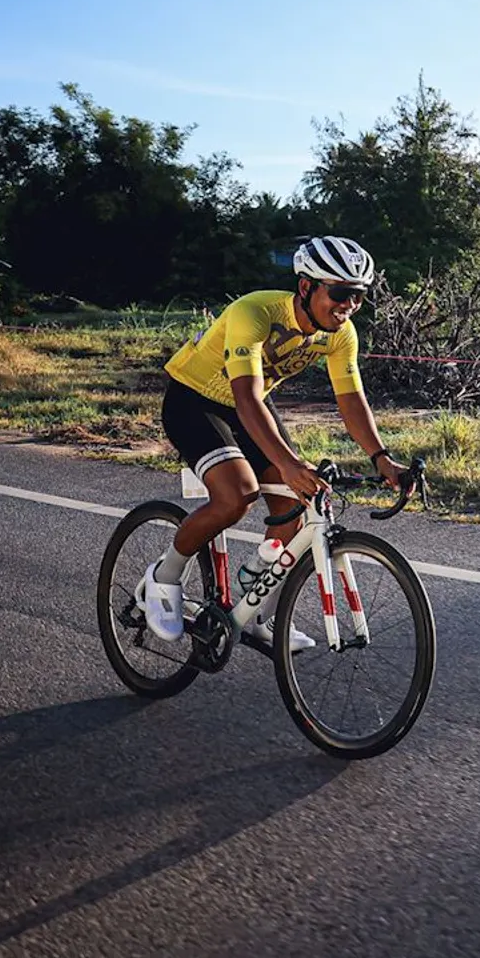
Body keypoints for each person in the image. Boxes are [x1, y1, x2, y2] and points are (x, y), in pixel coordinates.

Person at [138, 236, 404, 651]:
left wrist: (382, 457)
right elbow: (244, 396)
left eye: (358, 296)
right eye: (339, 293)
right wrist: (290, 464)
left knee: (294, 507)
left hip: (252, 406)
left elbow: (352, 402)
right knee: (236, 497)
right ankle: (164, 577)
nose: (348, 305)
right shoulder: (255, 311)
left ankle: (255, 611)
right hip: (196, 399)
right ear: (306, 287)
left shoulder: (341, 334)